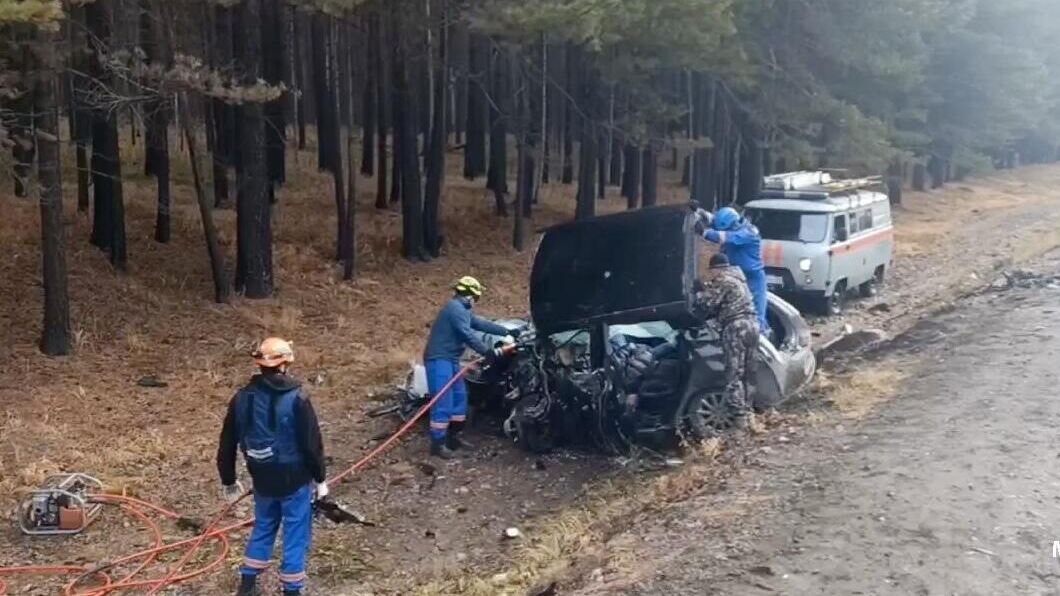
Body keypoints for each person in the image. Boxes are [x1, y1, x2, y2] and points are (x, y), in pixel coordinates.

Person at [217, 337, 327, 596]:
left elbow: (227, 442)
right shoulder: (298, 397)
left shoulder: (241, 398)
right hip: (295, 478)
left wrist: (228, 480)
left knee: (265, 524)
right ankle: (292, 588)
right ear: (285, 364)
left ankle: (247, 583)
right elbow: (312, 444)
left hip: (262, 476)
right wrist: (321, 479)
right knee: (296, 531)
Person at [423, 276, 514, 459]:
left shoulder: (461, 310)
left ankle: (453, 437)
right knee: (444, 400)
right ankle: (438, 444)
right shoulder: (455, 309)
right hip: (439, 359)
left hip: (450, 360)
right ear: (471, 296)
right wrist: (488, 352)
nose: (474, 302)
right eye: (475, 298)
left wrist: (507, 331)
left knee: (459, 397)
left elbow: (480, 324)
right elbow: (467, 334)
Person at [694, 254, 761, 430]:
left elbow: (707, 304)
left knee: (734, 374)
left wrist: (699, 291)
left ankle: (740, 422)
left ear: (716, 268)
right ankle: (749, 415)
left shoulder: (723, 279)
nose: (712, 275)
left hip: (736, 327)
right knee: (749, 373)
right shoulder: (740, 279)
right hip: (753, 326)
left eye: (712, 271)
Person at [694, 206, 771, 337]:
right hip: (734, 276)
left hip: (752, 278)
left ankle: (762, 342)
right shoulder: (733, 223)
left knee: (756, 315)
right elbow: (715, 221)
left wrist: (704, 233)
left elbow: (723, 237)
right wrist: (698, 212)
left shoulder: (749, 233)